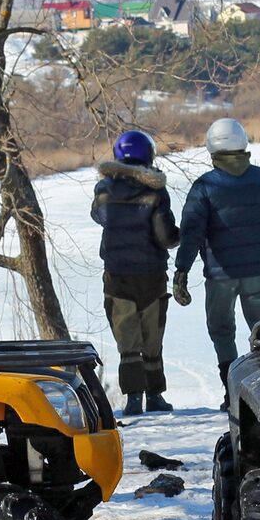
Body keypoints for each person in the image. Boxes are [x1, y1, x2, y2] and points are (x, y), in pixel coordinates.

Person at [173, 118, 260, 387]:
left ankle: (231, 390)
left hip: (222, 274)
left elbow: (191, 233)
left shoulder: (205, 186)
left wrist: (181, 270)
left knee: (221, 331)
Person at [93, 129, 180, 416]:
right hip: (152, 274)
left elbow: (98, 216)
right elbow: (165, 236)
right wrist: (182, 236)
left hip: (117, 275)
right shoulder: (155, 191)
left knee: (127, 340)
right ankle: (155, 396)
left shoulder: (104, 191)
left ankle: (133, 400)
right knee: (152, 337)